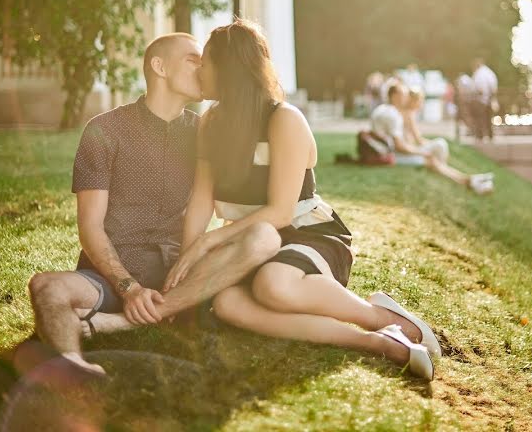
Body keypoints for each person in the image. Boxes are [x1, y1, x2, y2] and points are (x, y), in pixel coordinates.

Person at [87, 20, 440, 379]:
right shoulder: (210, 122)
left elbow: (280, 212)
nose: (200, 70)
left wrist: (210, 240)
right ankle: (380, 343)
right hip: (250, 242)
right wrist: (186, 264)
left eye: (204, 61)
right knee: (227, 305)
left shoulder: (283, 119)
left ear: (227, 67)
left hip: (307, 233)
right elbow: (201, 203)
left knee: (274, 285)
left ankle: (381, 317)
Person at [26, 33, 281, 375]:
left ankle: (139, 317)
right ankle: (70, 364)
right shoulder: (103, 130)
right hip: (111, 275)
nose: (204, 66)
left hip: (183, 275)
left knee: (260, 239)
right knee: (46, 286)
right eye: (193, 59)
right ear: (159, 67)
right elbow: (90, 226)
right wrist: (128, 288)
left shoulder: (206, 131)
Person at [371, 82, 493, 194]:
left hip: (382, 152)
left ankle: (470, 180)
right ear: (395, 96)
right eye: (403, 94)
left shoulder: (384, 110)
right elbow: (399, 146)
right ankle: (469, 182)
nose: (406, 98)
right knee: (431, 161)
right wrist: (423, 152)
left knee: (433, 158)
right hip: (387, 156)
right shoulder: (392, 114)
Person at [470, 58, 498, 141]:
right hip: (488, 99)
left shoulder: (479, 74)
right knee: (488, 119)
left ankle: (480, 135)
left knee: (479, 118)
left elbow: (478, 88)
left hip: (480, 100)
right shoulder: (489, 73)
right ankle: (490, 135)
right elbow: (493, 87)